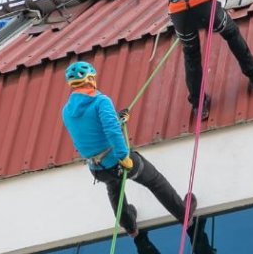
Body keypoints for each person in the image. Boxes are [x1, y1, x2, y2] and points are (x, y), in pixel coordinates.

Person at [61, 60, 196, 235]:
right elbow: (111, 131)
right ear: (91, 79)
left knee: (114, 188)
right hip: (118, 161)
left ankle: (130, 226)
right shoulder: (101, 101)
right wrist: (124, 156)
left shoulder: (66, 110)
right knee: (154, 181)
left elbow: (88, 131)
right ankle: (184, 214)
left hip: (97, 168)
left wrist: (117, 120)